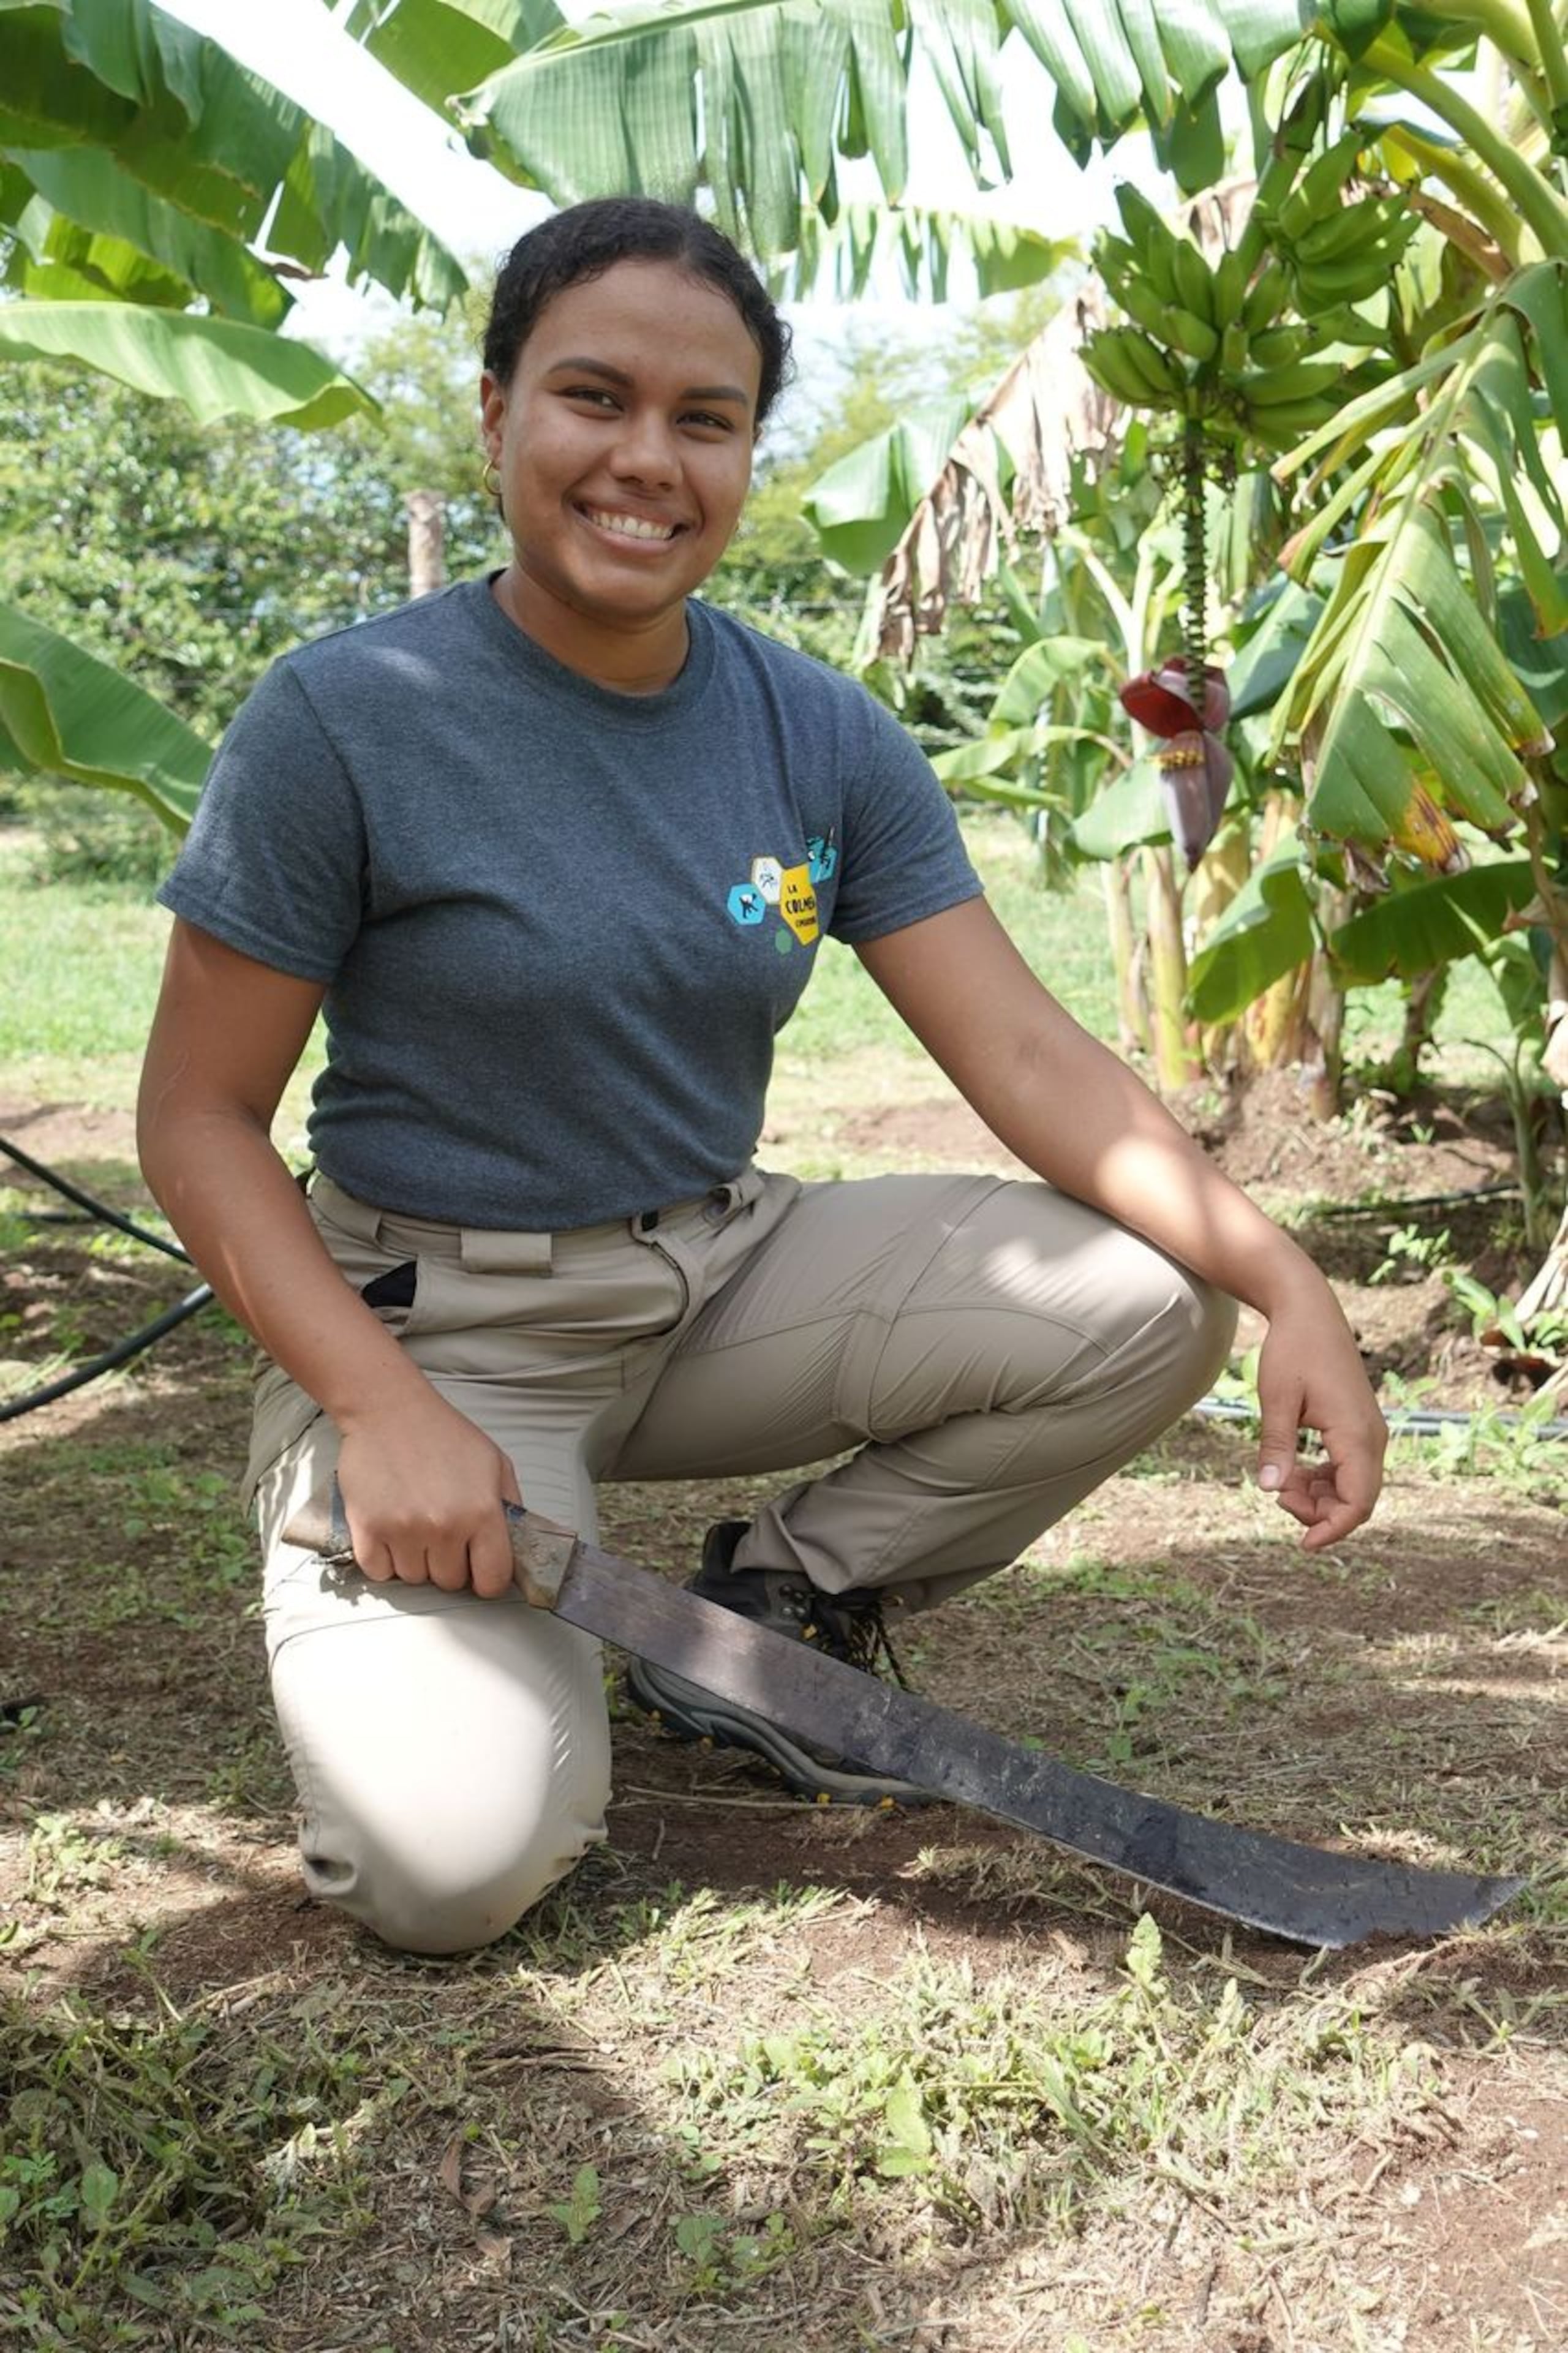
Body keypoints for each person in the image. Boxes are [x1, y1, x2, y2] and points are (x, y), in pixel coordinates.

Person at [137, 198, 1387, 1958]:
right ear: (495, 417)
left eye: (704, 419)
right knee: (454, 1864)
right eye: (593, 397)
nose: (646, 459)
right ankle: (414, 1576)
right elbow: (193, 1120)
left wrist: (1285, 1276)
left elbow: (1026, 1051)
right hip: (442, 1331)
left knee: (1141, 1296)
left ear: (742, 453)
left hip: (715, 1274)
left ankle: (775, 1607)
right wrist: (376, 1405)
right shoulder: (351, 717)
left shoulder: (817, 729)